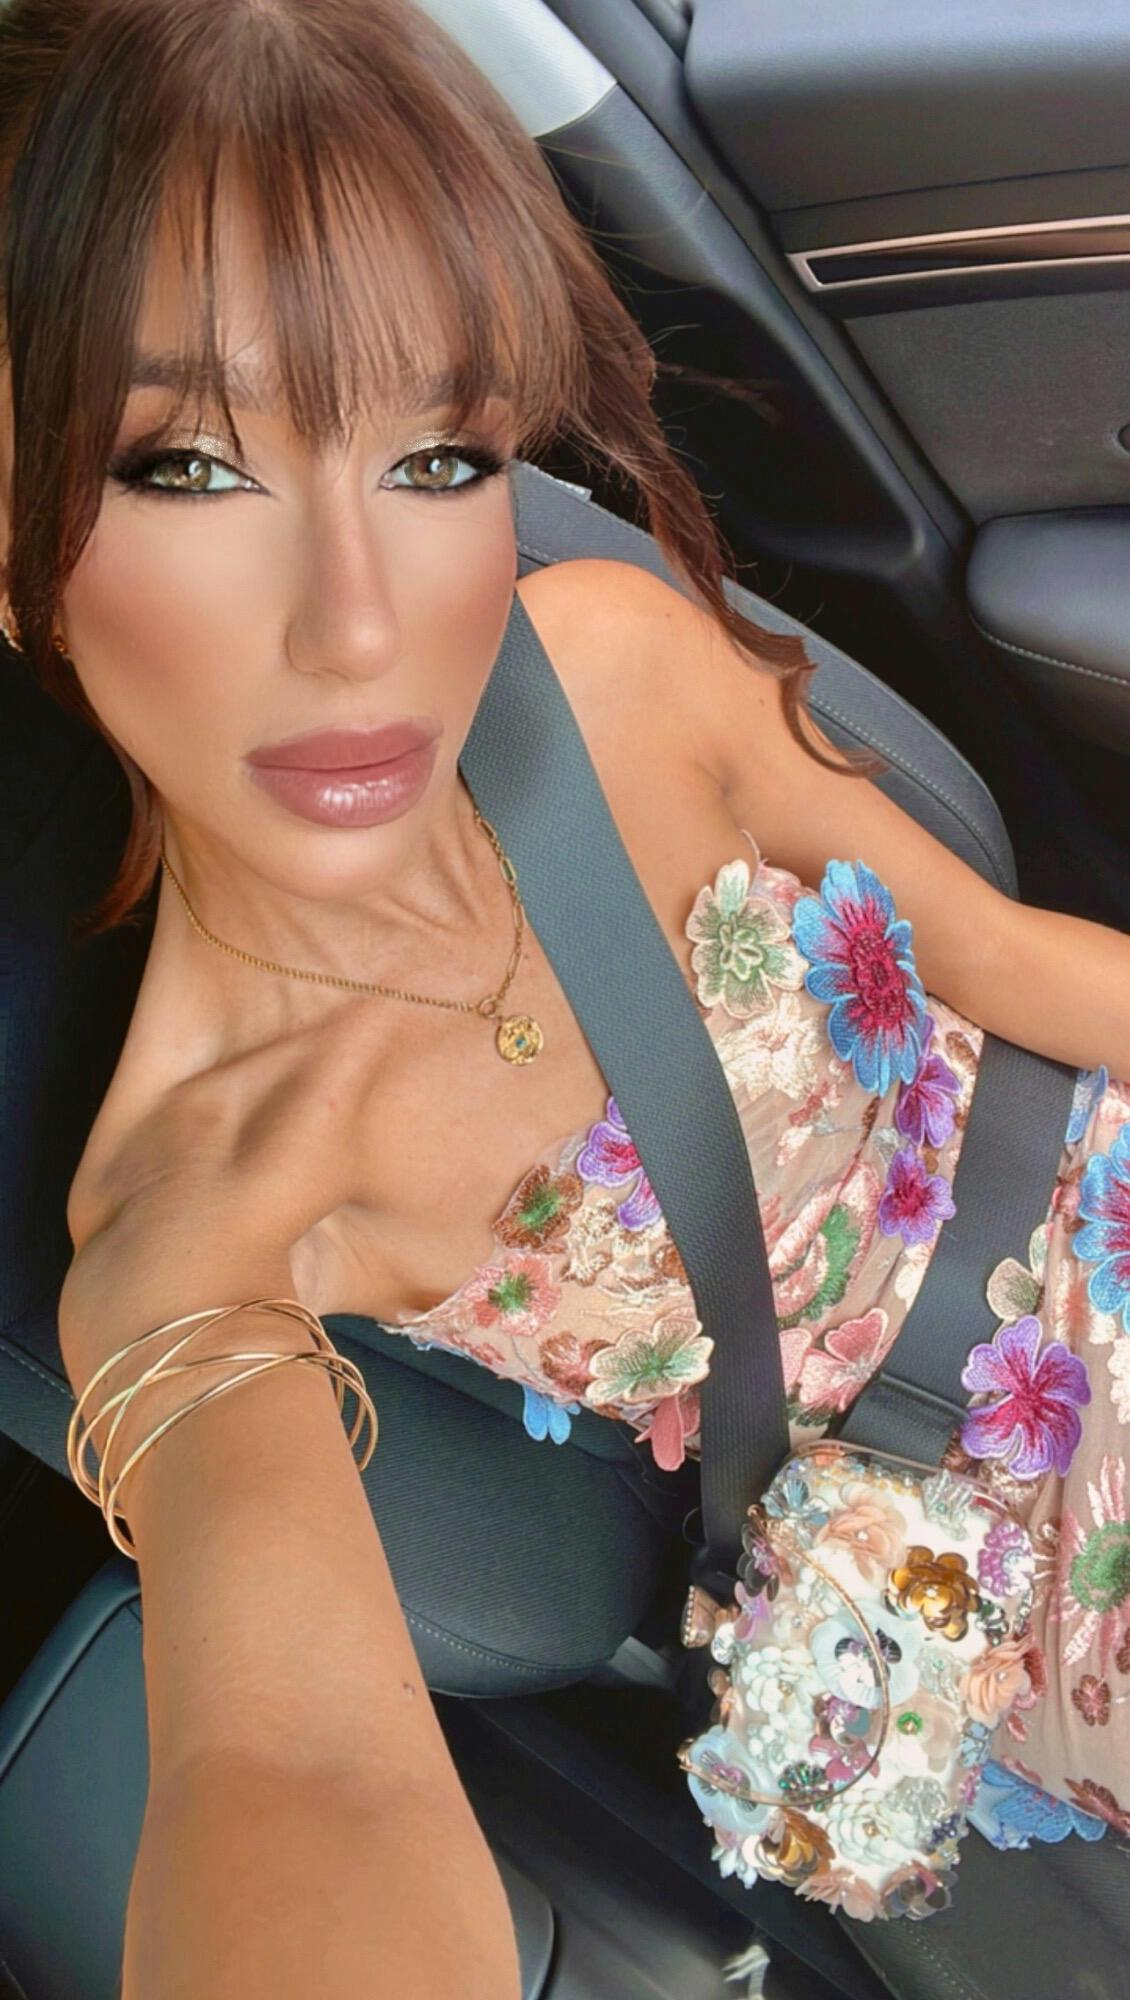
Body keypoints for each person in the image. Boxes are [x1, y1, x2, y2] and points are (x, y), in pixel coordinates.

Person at [0, 0, 1127, 1984]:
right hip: (965, 1575)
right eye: (185, 463)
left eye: (435, 454)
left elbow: (1005, 955)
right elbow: (292, 1772)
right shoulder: (202, 1213)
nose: (361, 624)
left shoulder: (612, 661)